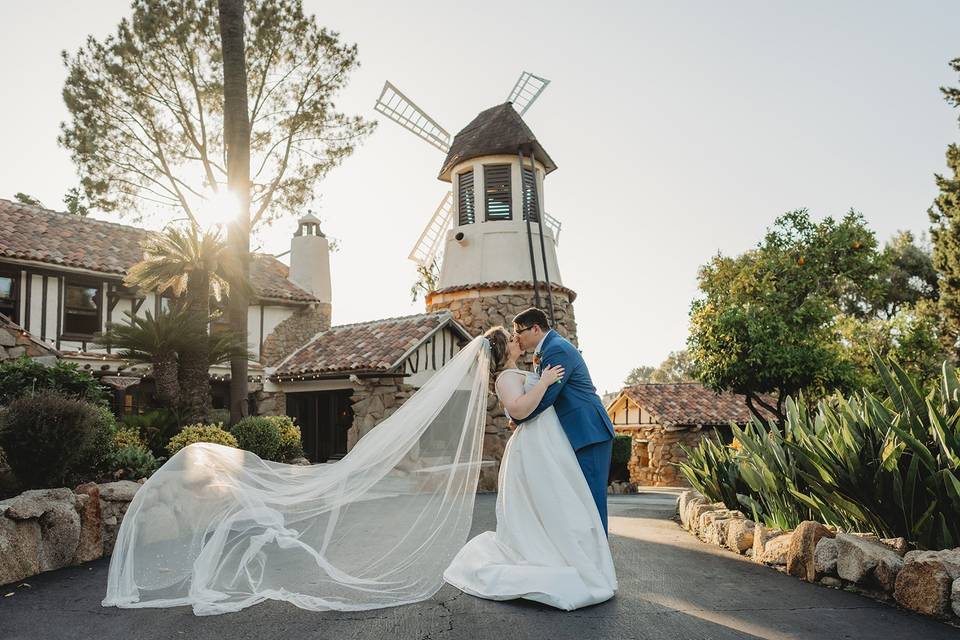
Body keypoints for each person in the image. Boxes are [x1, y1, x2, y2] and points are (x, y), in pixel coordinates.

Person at [442, 326, 617, 610]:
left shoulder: (514, 372)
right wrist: (544, 382)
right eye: (511, 339)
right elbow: (519, 410)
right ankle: (557, 559)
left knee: (560, 503)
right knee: (552, 502)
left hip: (548, 442)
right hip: (534, 447)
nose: (517, 340)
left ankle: (576, 557)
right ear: (502, 350)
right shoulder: (506, 377)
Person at [511, 308, 616, 534]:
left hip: (589, 432)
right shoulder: (547, 349)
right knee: (578, 502)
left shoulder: (557, 350)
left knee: (592, 501)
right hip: (573, 434)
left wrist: (518, 417)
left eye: (520, 332)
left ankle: (600, 563)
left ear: (536, 328)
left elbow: (548, 396)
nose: (517, 337)